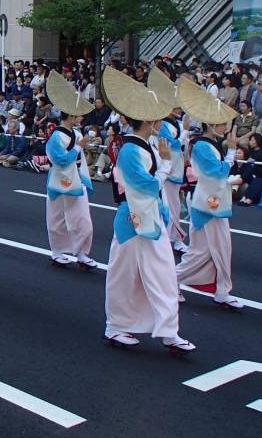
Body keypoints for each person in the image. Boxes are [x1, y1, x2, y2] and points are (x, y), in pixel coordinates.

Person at [101, 66, 195, 353]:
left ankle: (168, 331)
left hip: (149, 219)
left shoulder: (146, 145)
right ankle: (117, 327)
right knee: (124, 276)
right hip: (133, 220)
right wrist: (166, 165)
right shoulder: (131, 150)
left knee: (161, 275)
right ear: (147, 119)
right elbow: (147, 186)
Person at [173, 78, 244, 310]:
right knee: (207, 250)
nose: (225, 127)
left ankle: (221, 289)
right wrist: (231, 153)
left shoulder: (209, 145)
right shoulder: (202, 146)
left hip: (212, 201)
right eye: (222, 123)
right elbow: (215, 175)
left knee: (212, 250)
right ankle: (173, 280)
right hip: (207, 203)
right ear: (210, 124)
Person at [44, 71, 98, 269]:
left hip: (76, 180)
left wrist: (85, 177)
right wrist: (78, 146)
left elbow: (79, 160)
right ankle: (57, 252)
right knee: (57, 219)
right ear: (71, 115)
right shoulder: (56, 137)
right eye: (78, 114)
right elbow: (60, 160)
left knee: (83, 220)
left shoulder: (76, 133)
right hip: (59, 180)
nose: (81, 117)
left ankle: (82, 253)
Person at [148, 68, 187, 254]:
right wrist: (186, 133)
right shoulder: (162, 124)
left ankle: (172, 237)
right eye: (176, 106)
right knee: (171, 205)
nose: (179, 109)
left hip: (176, 167)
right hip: (168, 167)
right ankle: (174, 239)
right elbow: (171, 145)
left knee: (174, 204)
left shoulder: (175, 123)